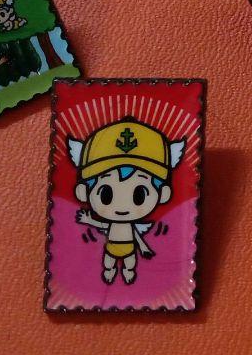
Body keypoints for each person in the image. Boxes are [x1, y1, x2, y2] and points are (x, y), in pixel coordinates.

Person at [69, 118, 185, 286]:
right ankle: (110, 271)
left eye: (139, 196)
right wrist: (88, 220)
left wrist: (143, 247)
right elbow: (104, 225)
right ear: (83, 192)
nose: (122, 207)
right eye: (106, 195)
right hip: (111, 247)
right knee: (109, 262)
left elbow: (135, 235)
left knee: (130, 263)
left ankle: (128, 271)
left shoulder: (130, 226)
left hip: (129, 248)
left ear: (163, 194)